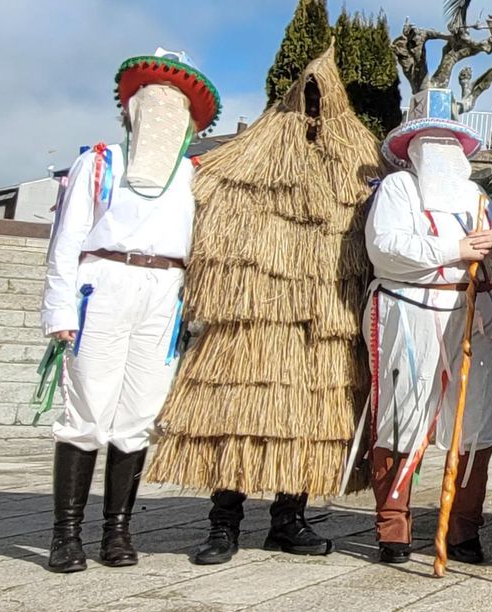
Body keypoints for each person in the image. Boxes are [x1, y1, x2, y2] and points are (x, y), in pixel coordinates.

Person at [149, 47, 381, 565]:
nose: (316, 107)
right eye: (310, 98)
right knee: (237, 416)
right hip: (255, 322)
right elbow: (209, 237)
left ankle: (288, 519)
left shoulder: (362, 165)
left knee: (309, 421)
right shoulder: (246, 161)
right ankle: (223, 522)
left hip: (326, 323)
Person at [39, 49, 219, 573]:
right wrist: (60, 311)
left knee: (139, 414)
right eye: (153, 102)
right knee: (87, 410)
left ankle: (117, 531)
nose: (164, 112)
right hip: (103, 285)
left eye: (176, 106)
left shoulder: (193, 176)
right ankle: (65, 535)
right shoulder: (98, 163)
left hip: (165, 290)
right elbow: (65, 240)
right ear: (132, 110)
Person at [364, 114, 492, 564]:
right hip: (410, 312)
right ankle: (393, 527)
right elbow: (384, 246)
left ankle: (464, 529)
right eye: (431, 142)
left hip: (472, 316)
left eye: (450, 142)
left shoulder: (477, 196)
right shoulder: (396, 190)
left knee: (473, 421)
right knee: (401, 412)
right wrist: (454, 250)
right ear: (411, 148)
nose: (441, 150)